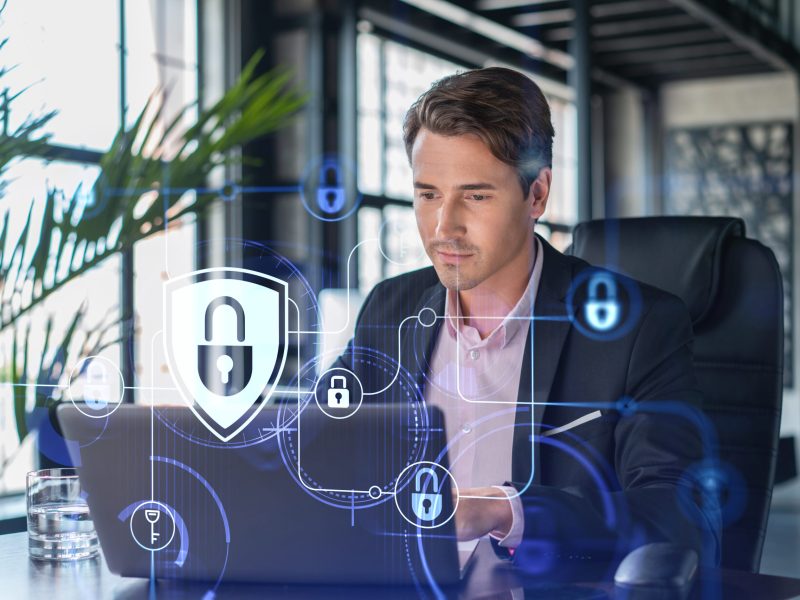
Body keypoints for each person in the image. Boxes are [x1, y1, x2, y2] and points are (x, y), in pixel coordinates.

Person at [332, 67, 720, 566]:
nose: (443, 226)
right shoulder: (390, 307)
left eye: (475, 195)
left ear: (536, 195)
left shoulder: (640, 327)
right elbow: (321, 446)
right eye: (428, 194)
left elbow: (680, 514)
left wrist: (508, 511)